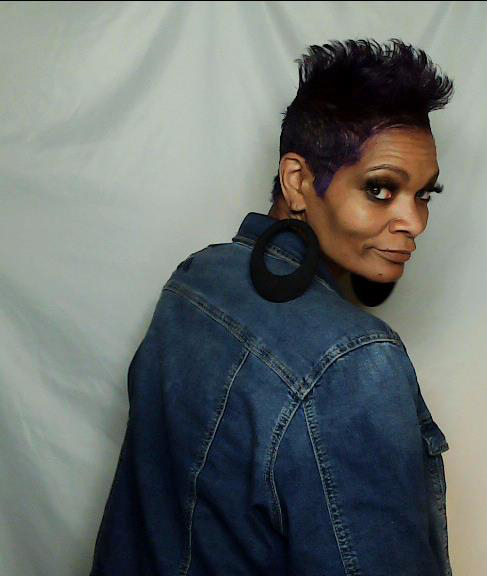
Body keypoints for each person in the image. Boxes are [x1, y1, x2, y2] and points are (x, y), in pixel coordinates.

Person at [90, 38, 454, 575]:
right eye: (381, 190)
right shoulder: (356, 363)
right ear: (298, 182)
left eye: (424, 194)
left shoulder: (197, 278)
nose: (415, 222)